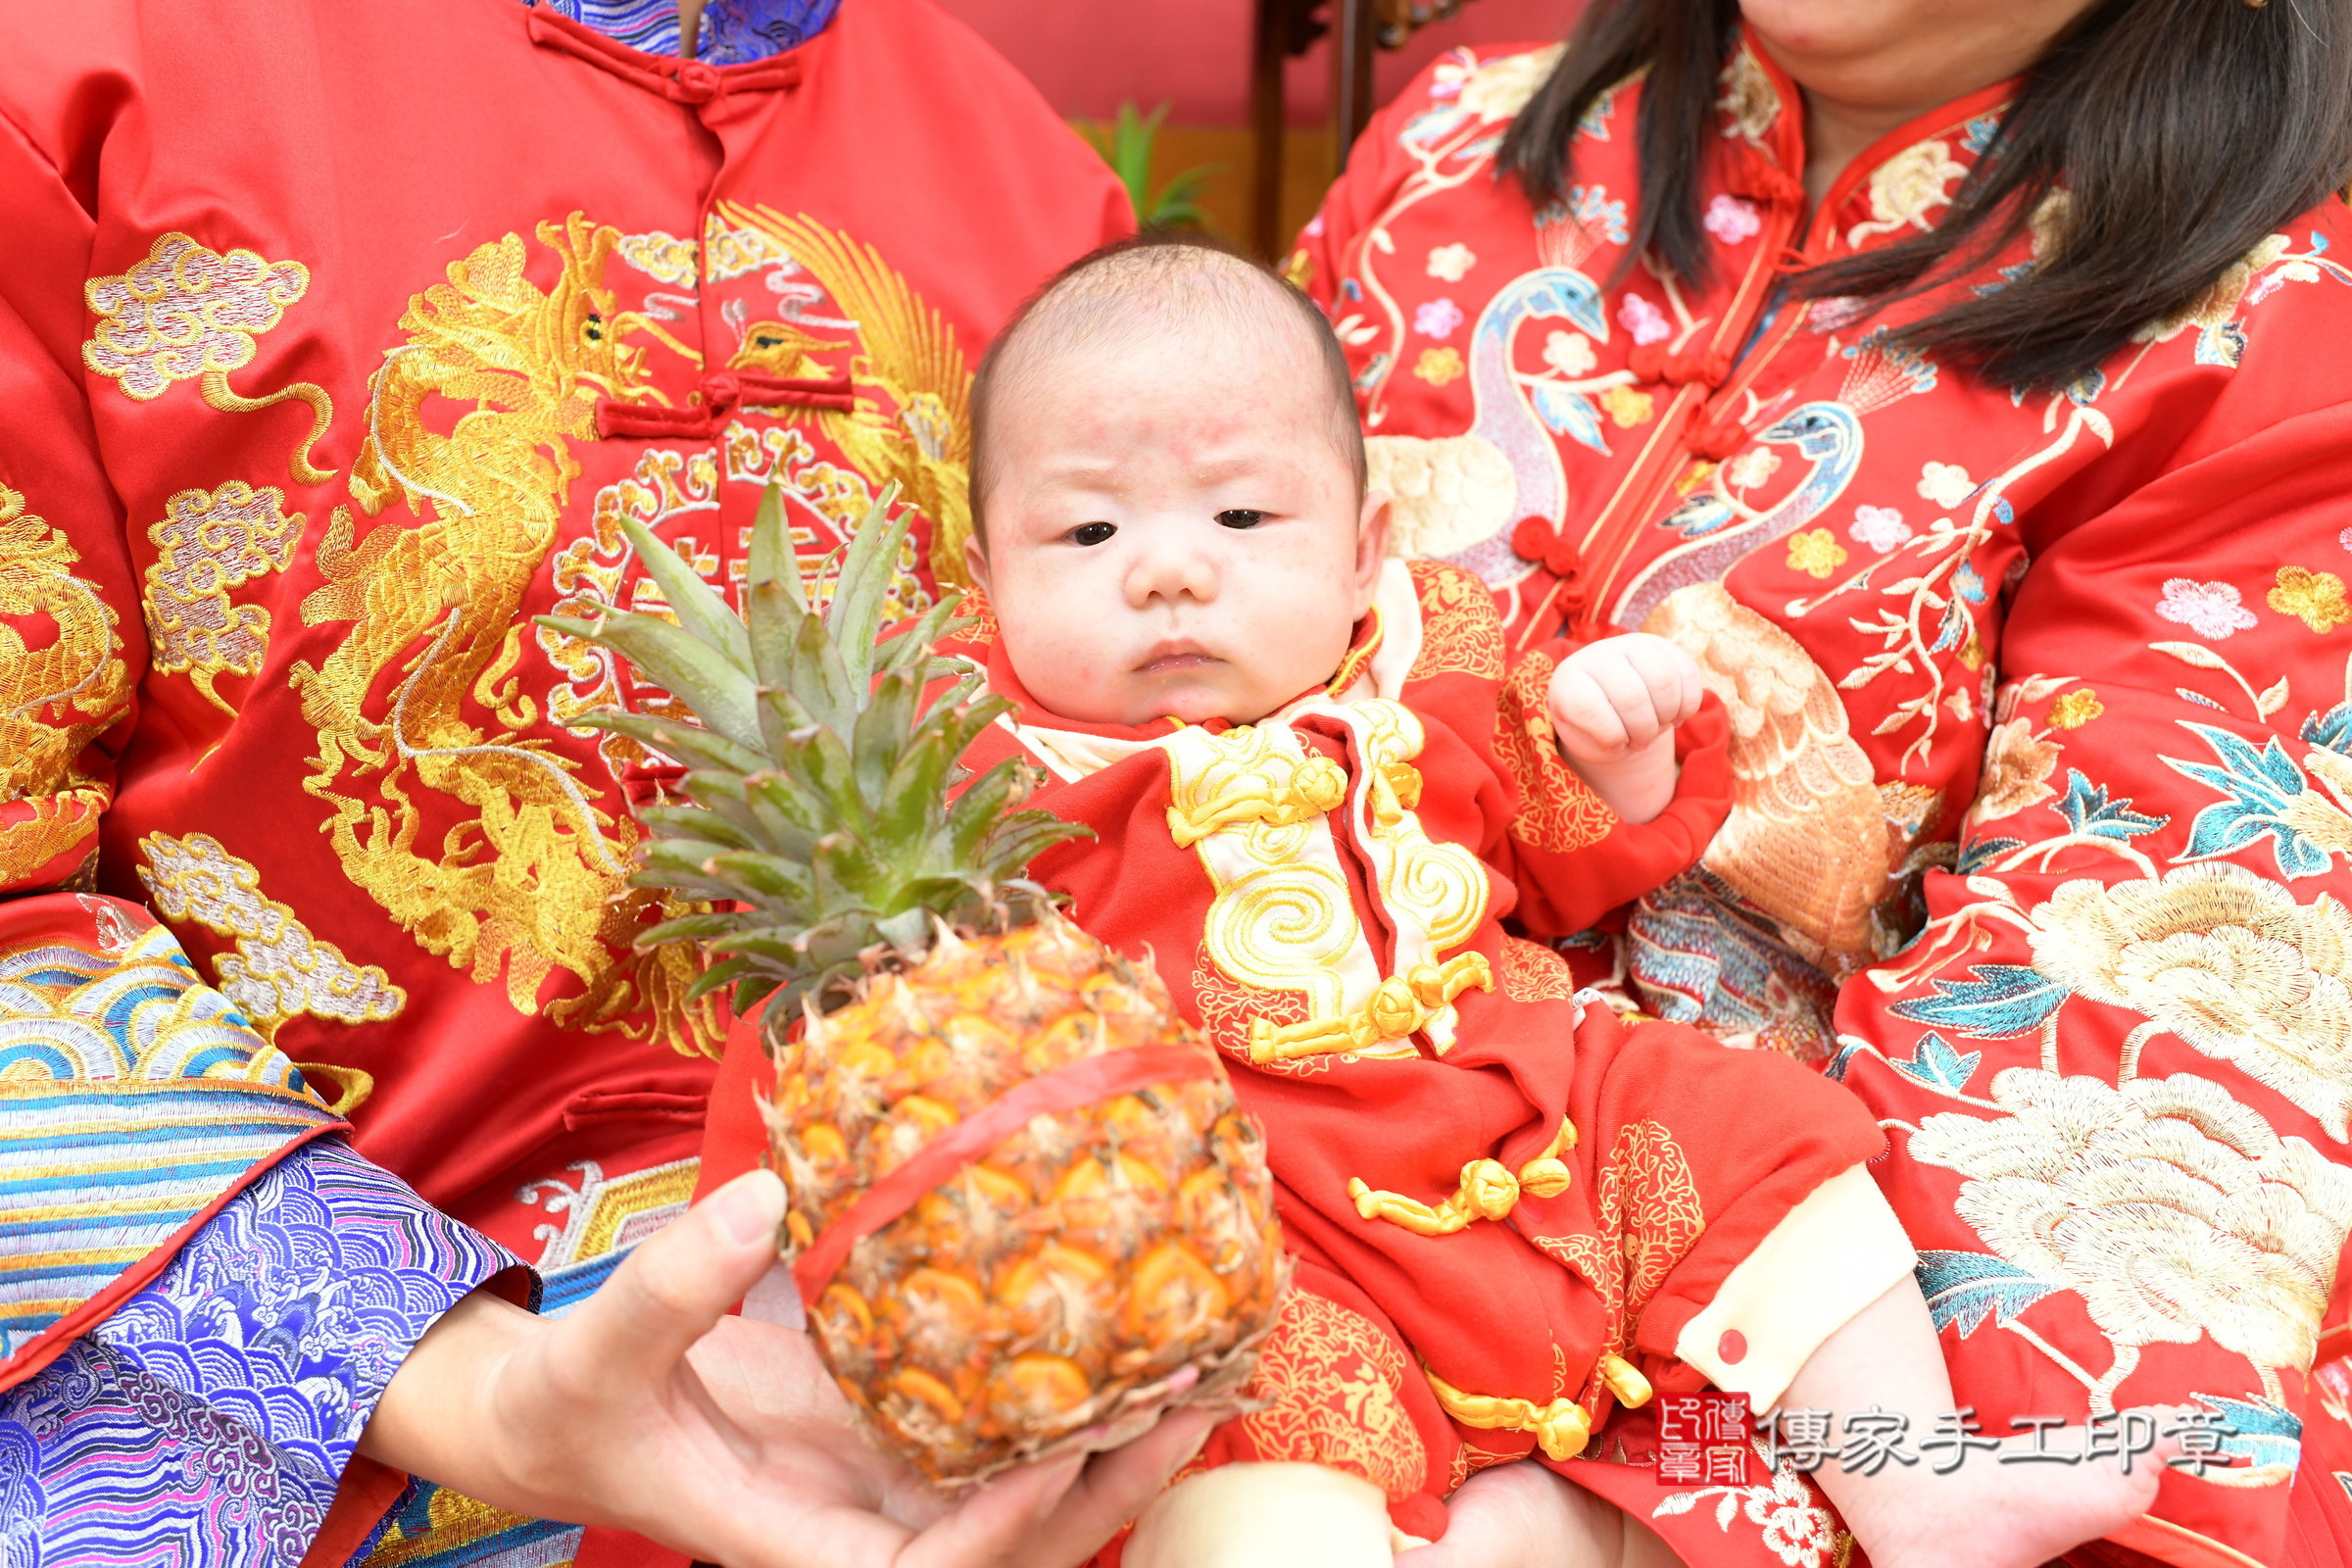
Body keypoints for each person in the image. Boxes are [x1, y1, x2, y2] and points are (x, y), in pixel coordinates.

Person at [704, 232, 2178, 1568]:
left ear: (1359, 551)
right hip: (1234, 1198)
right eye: (1085, 536)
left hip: (1529, 1094)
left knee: (1757, 1133)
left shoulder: (1433, 665)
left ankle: (1923, 1490)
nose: (1163, 572)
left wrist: (1623, 742)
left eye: (1239, 516)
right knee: (1231, 1436)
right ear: (986, 576)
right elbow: (864, 1034)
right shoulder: (980, 780)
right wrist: (781, 1256)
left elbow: (1565, 842)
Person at [0, 0, 1200, 1561]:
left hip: (968, 1397)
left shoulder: (1033, 186)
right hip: (302, 1424)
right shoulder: (86, 75)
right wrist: (462, 1379)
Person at [1282, 0, 2352, 1563]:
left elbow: (2129, 1037)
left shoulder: (2278, 335)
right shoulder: (1451, 148)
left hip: (1749, 1359)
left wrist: (1638, 1509)